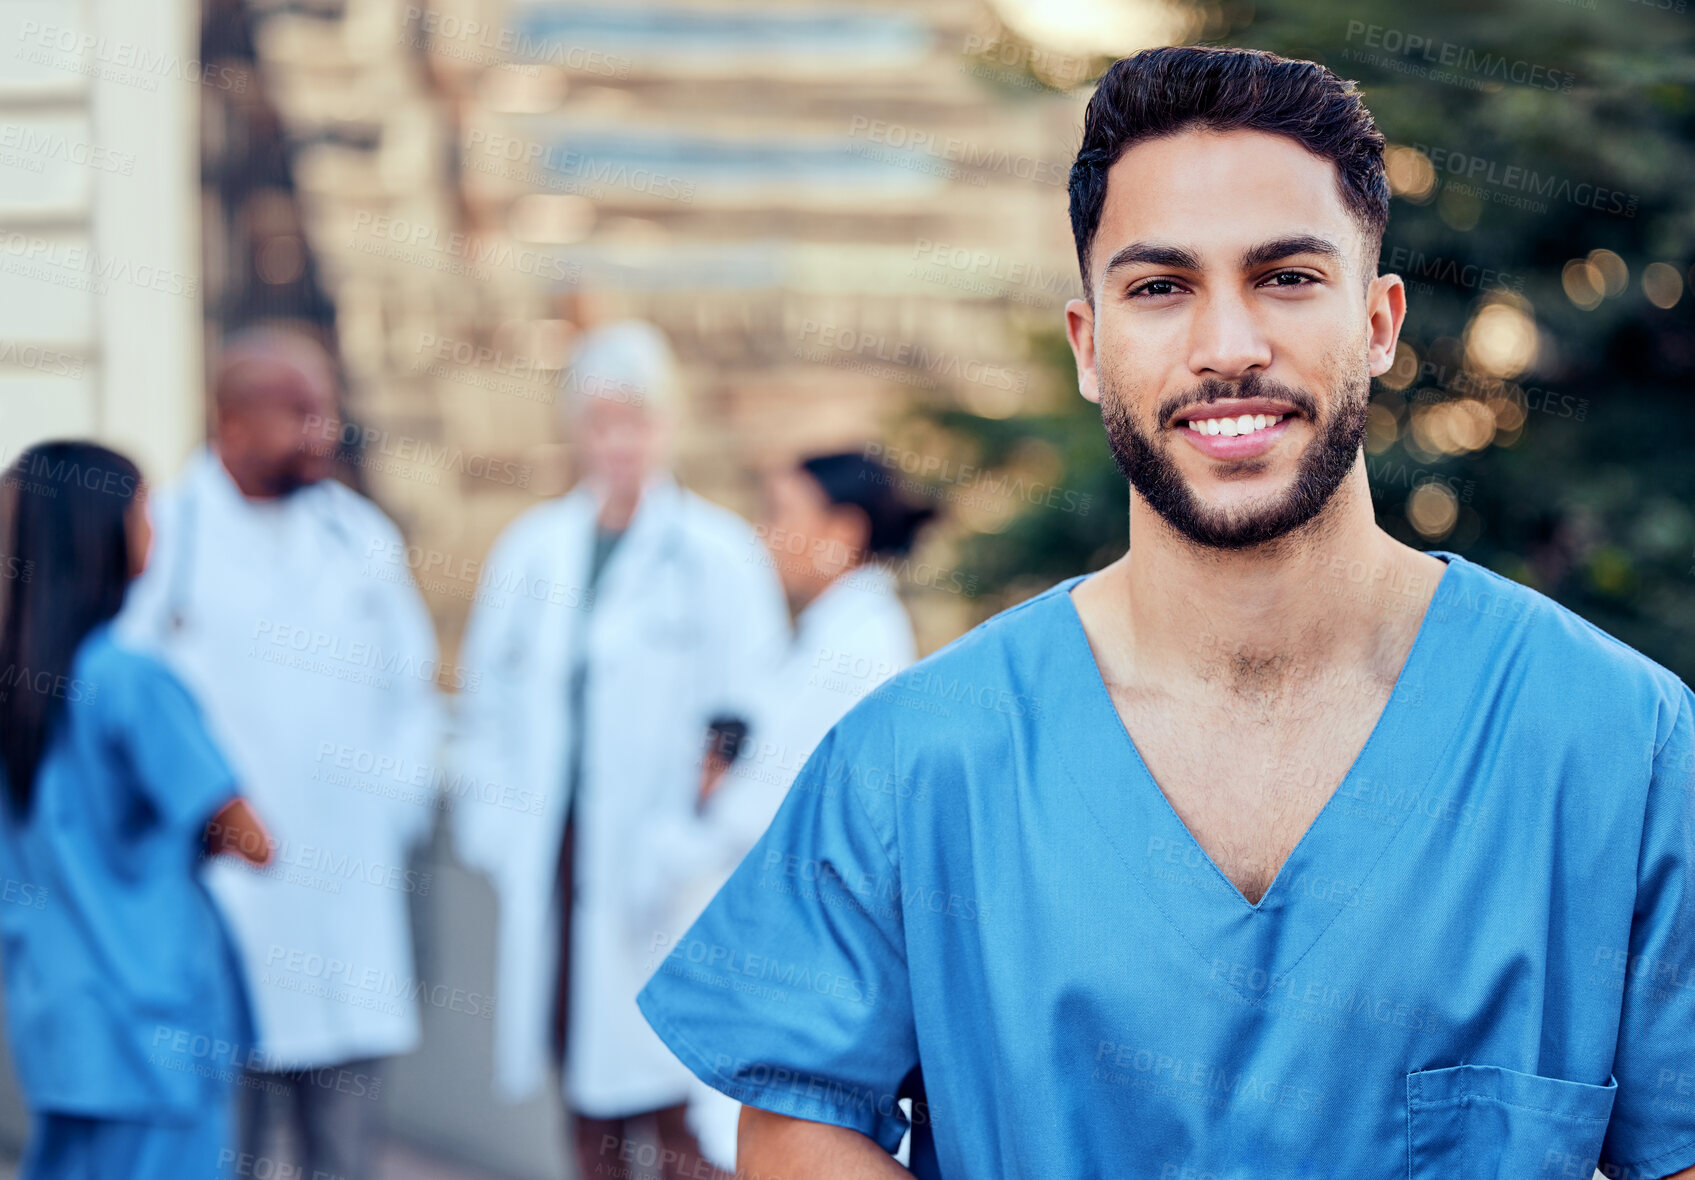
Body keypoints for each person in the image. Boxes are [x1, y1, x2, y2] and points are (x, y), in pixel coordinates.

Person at [636, 47, 1695, 1180]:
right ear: (1091, 345)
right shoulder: (923, 761)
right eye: (1159, 287)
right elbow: (799, 1117)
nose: (1228, 347)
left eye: (1287, 276)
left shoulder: (1614, 747)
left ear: (1380, 323)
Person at [452, 320, 788, 1179]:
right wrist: (494, 823)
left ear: (665, 426)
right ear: (576, 428)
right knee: (582, 1086)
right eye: (601, 422)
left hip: (670, 873)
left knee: (677, 1107)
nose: (618, 443)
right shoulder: (534, 550)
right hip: (559, 861)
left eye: (635, 421)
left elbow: (750, 723)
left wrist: (688, 839)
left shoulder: (716, 555)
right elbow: (487, 701)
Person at [119, 326, 444, 1180]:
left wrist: (391, 805)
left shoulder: (359, 537)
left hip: (348, 902)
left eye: (326, 410)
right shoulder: (169, 540)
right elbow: (129, 706)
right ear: (231, 425)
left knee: (344, 1156)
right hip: (224, 904)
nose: (323, 431)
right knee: (224, 1154)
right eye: (298, 413)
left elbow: (410, 695)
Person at [641, 451, 930, 1171]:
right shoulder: (830, 632)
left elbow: (768, 806)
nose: (764, 536)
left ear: (841, 532)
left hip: (800, 951)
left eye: (780, 516)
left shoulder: (859, 648)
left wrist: (707, 800)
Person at [0, 442, 272, 1180]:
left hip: (59, 1025)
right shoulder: (129, 680)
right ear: (101, 534)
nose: (155, 530)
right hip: (153, 1029)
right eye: (143, 511)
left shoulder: (16, 691)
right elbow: (251, 838)